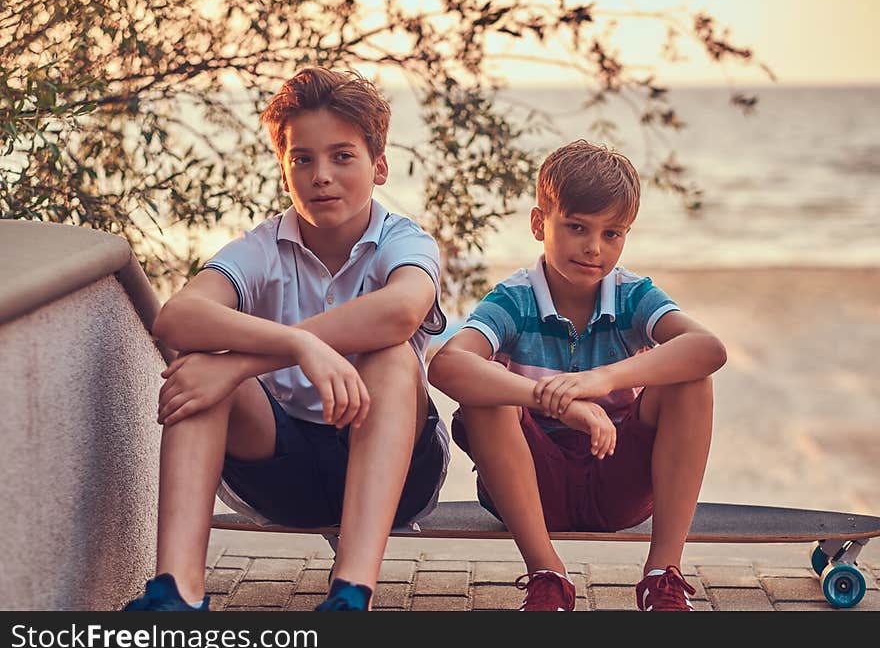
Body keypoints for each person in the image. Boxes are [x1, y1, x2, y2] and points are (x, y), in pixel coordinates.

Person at [123, 67, 449, 612]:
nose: (321, 175)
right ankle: (177, 594)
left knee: (392, 357)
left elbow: (401, 311)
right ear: (284, 171)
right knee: (201, 363)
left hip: (395, 470)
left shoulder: (405, 240)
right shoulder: (263, 247)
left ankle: (350, 596)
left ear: (380, 166)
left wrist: (243, 361)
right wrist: (300, 347)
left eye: (343, 156)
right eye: (303, 159)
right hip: (283, 468)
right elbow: (177, 318)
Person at [428, 140, 727, 611]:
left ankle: (661, 577)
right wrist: (556, 402)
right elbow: (446, 364)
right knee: (484, 390)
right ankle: (548, 576)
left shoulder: (631, 295)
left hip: (617, 482)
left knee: (690, 377)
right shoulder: (514, 299)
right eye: (576, 227)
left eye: (612, 234)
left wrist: (602, 380)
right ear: (538, 223)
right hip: (530, 492)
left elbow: (708, 348)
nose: (594, 248)